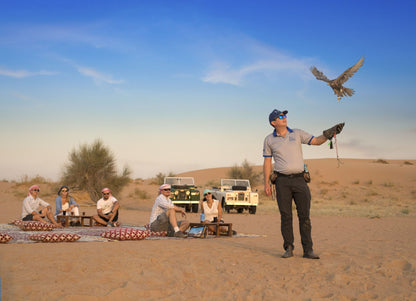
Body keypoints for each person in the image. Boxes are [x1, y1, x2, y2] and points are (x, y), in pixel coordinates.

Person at [263, 109, 344, 259]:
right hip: (281, 182)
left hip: (300, 180)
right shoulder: (269, 140)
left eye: (285, 115)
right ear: (273, 122)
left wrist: (328, 134)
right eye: (280, 116)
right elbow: (267, 161)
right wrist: (266, 183)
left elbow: (316, 141)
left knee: (304, 216)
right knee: (286, 216)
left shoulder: (297, 133)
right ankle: (288, 248)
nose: (284, 118)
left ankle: (308, 250)